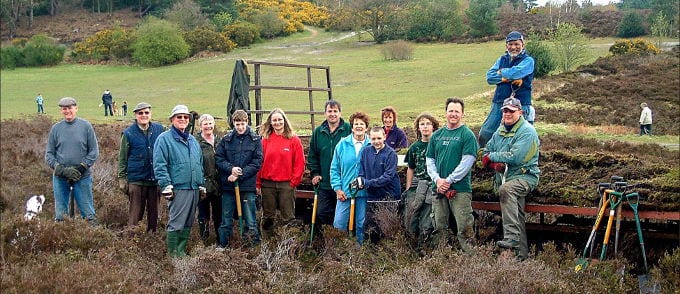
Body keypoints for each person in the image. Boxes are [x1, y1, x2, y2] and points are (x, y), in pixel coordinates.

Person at [481, 97, 540, 260]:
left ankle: (511, 239)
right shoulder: (499, 131)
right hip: (506, 178)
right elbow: (484, 152)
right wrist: (493, 164)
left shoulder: (527, 131)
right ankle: (521, 257)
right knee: (517, 215)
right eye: (505, 110)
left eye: (511, 111)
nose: (507, 114)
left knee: (507, 190)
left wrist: (492, 157)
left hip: (525, 177)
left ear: (520, 112)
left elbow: (515, 157)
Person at [426, 97, 478, 253]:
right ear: (445, 113)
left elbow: (467, 162)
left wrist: (448, 181)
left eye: (457, 111)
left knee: (465, 228)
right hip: (439, 189)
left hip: (460, 190)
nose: (453, 114)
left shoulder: (467, 135)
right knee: (439, 227)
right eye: (451, 111)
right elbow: (430, 160)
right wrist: (437, 180)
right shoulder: (436, 136)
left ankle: (472, 261)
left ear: (462, 114)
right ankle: (440, 259)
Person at [153, 104, 205, 257]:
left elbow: (199, 163)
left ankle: (181, 252)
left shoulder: (192, 140)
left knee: (188, 222)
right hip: (178, 188)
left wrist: (201, 184)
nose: (182, 119)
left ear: (189, 120)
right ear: (172, 119)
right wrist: (166, 185)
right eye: (179, 117)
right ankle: (173, 255)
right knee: (176, 222)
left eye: (185, 117)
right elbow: (159, 164)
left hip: (194, 187)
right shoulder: (164, 139)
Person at [45, 97, 99, 222]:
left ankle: (93, 239)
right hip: (60, 177)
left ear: (76, 109)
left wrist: (81, 167)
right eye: (64, 109)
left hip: (82, 176)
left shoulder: (86, 126)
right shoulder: (56, 129)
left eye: (70, 108)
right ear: (61, 111)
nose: (67, 111)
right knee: (60, 215)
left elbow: (94, 151)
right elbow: (49, 154)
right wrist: (61, 169)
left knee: (88, 214)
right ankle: (61, 239)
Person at [216, 110, 262, 247]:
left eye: (242, 124)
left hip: (247, 186)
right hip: (229, 187)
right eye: (237, 124)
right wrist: (231, 169)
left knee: (250, 220)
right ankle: (223, 247)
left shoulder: (255, 139)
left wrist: (239, 173)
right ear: (233, 124)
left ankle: (253, 248)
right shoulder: (226, 140)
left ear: (247, 122)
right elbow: (219, 159)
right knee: (226, 220)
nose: (240, 127)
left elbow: (257, 161)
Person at [480, 31, 535, 147]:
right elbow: (489, 77)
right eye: (510, 44)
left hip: (520, 104)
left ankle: (517, 162)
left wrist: (503, 73)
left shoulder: (528, 61)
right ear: (506, 46)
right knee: (486, 133)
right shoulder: (501, 59)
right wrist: (509, 77)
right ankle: (485, 159)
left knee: (518, 136)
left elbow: (517, 72)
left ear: (522, 45)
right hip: (499, 102)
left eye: (516, 44)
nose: (513, 47)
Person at [257, 108, 306, 237]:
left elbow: (299, 163)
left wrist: (294, 182)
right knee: (268, 217)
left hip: (286, 185)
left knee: (288, 217)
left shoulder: (293, 140)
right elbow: (259, 162)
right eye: (274, 120)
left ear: (284, 121)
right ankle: (268, 244)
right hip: (267, 184)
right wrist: (258, 183)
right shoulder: (265, 140)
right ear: (270, 122)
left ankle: (287, 245)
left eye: (280, 120)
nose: (277, 122)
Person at [117, 102, 164, 232]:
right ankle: (131, 243)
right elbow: (122, 157)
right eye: (140, 113)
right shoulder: (128, 133)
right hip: (136, 181)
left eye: (146, 113)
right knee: (135, 216)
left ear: (151, 114)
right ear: (136, 115)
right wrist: (122, 178)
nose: (144, 115)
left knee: (154, 216)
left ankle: (152, 241)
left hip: (155, 180)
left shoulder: (160, 130)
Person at [307, 99, 351, 228]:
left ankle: (344, 240)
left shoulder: (348, 130)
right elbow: (313, 155)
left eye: (335, 111)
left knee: (344, 214)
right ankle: (329, 238)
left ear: (340, 113)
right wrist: (315, 173)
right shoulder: (318, 132)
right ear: (325, 113)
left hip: (344, 182)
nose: (332, 114)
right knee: (323, 212)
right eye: (329, 111)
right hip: (325, 182)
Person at [353, 126, 401, 244]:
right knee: (370, 228)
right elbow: (361, 171)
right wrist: (360, 181)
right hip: (372, 197)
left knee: (388, 228)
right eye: (373, 139)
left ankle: (390, 255)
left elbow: (388, 177)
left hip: (389, 197)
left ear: (384, 137)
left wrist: (367, 183)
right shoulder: (365, 152)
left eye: (379, 138)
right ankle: (370, 255)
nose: (376, 141)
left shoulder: (391, 154)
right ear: (369, 138)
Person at [330, 112, 371, 244]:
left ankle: (360, 252)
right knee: (339, 223)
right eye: (356, 124)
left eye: (362, 124)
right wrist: (337, 189)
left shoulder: (371, 144)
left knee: (361, 224)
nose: (358, 126)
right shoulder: (342, 144)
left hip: (364, 192)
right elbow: (334, 169)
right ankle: (339, 251)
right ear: (352, 127)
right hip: (345, 192)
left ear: (366, 127)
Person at [403, 112, 440, 248]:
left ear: (434, 127)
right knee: (411, 217)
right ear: (418, 128)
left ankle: (424, 248)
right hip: (417, 184)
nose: (425, 127)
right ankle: (410, 248)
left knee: (427, 219)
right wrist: (408, 189)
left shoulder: (438, 145)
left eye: (428, 124)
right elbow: (410, 168)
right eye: (422, 124)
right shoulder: (414, 147)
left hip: (433, 185)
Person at [196, 114, 222, 245]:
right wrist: (200, 183)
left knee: (219, 215)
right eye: (205, 124)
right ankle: (204, 243)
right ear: (200, 126)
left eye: (210, 123)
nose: (208, 126)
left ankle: (220, 241)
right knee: (203, 215)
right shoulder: (195, 142)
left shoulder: (219, 141)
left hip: (218, 185)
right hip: (203, 184)